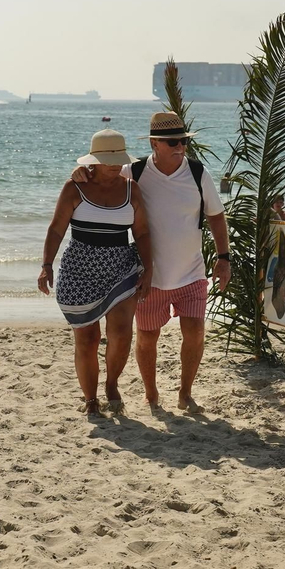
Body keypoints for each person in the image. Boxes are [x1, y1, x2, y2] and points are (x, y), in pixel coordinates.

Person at [115, 112, 229, 412]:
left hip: (192, 274)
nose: (180, 146)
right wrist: (81, 174)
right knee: (147, 337)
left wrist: (223, 258)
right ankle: (151, 394)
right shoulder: (134, 172)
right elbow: (100, 181)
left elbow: (216, 216)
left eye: (183, 141)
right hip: (150, 278)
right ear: (154, 143)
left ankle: (185, 393)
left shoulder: (197, 172)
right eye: (172, 142)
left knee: (195, 333)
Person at [41, 129, 151, 416]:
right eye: (108, 160)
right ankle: (90, 399)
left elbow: (141, 232)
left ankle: (112, 385)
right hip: (80, 271)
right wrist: (46, 265)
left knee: (121, 334)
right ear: (95, 161)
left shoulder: (131, 189)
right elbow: (56, 229)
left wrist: (149, 270)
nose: (115, 165)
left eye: (119, 159)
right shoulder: (74, 187)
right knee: (87, 339)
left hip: (121, 268)